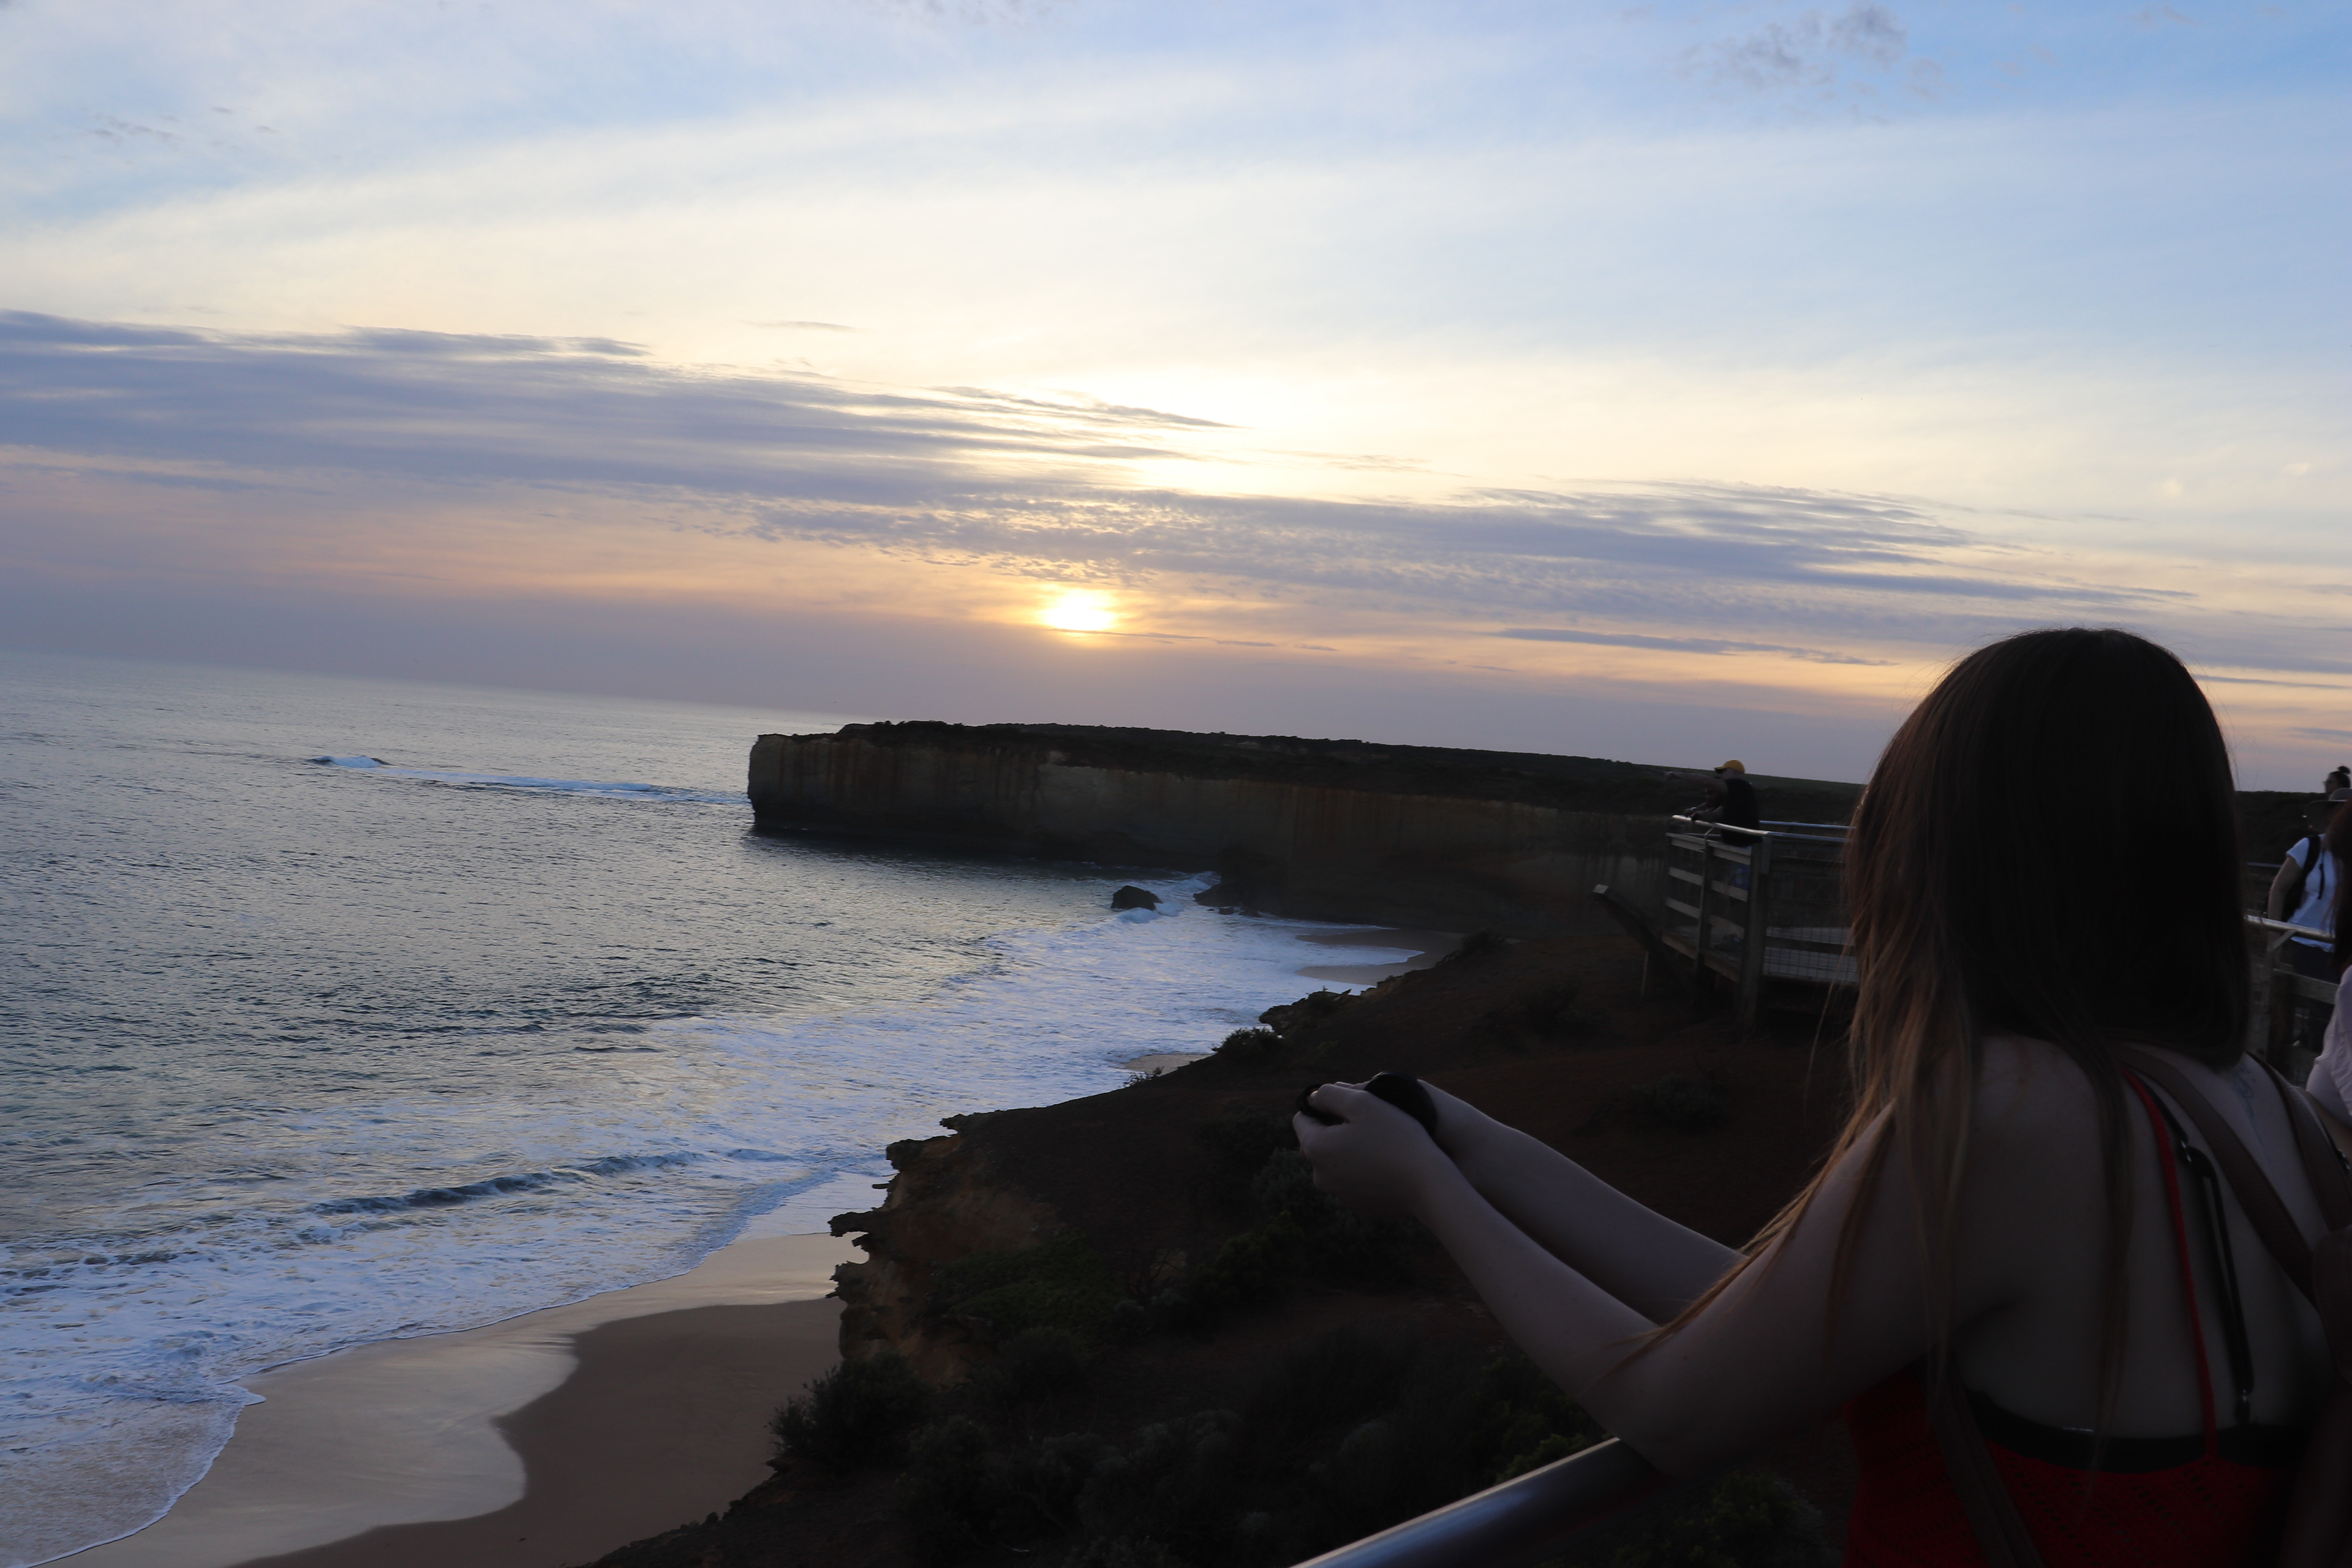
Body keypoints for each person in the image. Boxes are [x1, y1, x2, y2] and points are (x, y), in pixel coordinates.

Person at [1298, 628, 2341, 1564]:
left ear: (1955, 848)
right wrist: (1478, 1149)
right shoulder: (2271, 1113)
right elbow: (1777, 1315)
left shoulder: (2011, 1112)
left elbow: (1676, 1413)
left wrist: (1429, 1193)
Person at [2269, 788, 2348, 1056]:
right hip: (2307, 940)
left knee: (2337, 1010)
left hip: (2342, 946)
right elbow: (2278, 889)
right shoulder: (2310, 847)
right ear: (2330, 816)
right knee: (2327, 1008)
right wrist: (2273, 938)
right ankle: (2314, 1063)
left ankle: (2305, 1046)